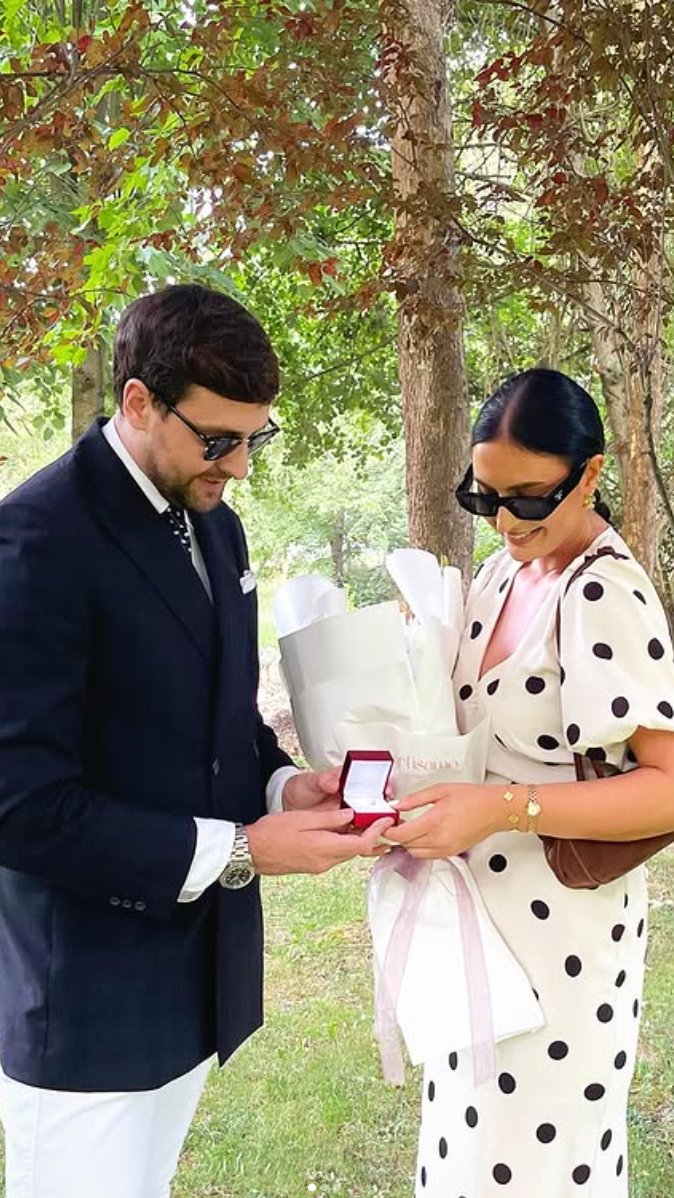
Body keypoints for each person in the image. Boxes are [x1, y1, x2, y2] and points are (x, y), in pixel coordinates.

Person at [0, 284, 389, 1198]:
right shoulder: (34, 541)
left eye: (257, 437)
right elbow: (20, 809)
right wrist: (244, 850)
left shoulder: (215, 523)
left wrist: (282, 786)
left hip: (191, 982)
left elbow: (220, 714)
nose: (241, 466)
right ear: (139, 401)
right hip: (84, 1001)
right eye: (219, 440)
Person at [386, 368, 674, 1198]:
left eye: (528, 498)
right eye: (484, 498)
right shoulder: (502, 574)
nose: (505, 520)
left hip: (561, 946)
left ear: (589, 474)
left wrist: (503, 808)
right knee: (469, 1156)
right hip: (474, 929)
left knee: (536, 1166)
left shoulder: (603, 592)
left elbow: (665, 786)